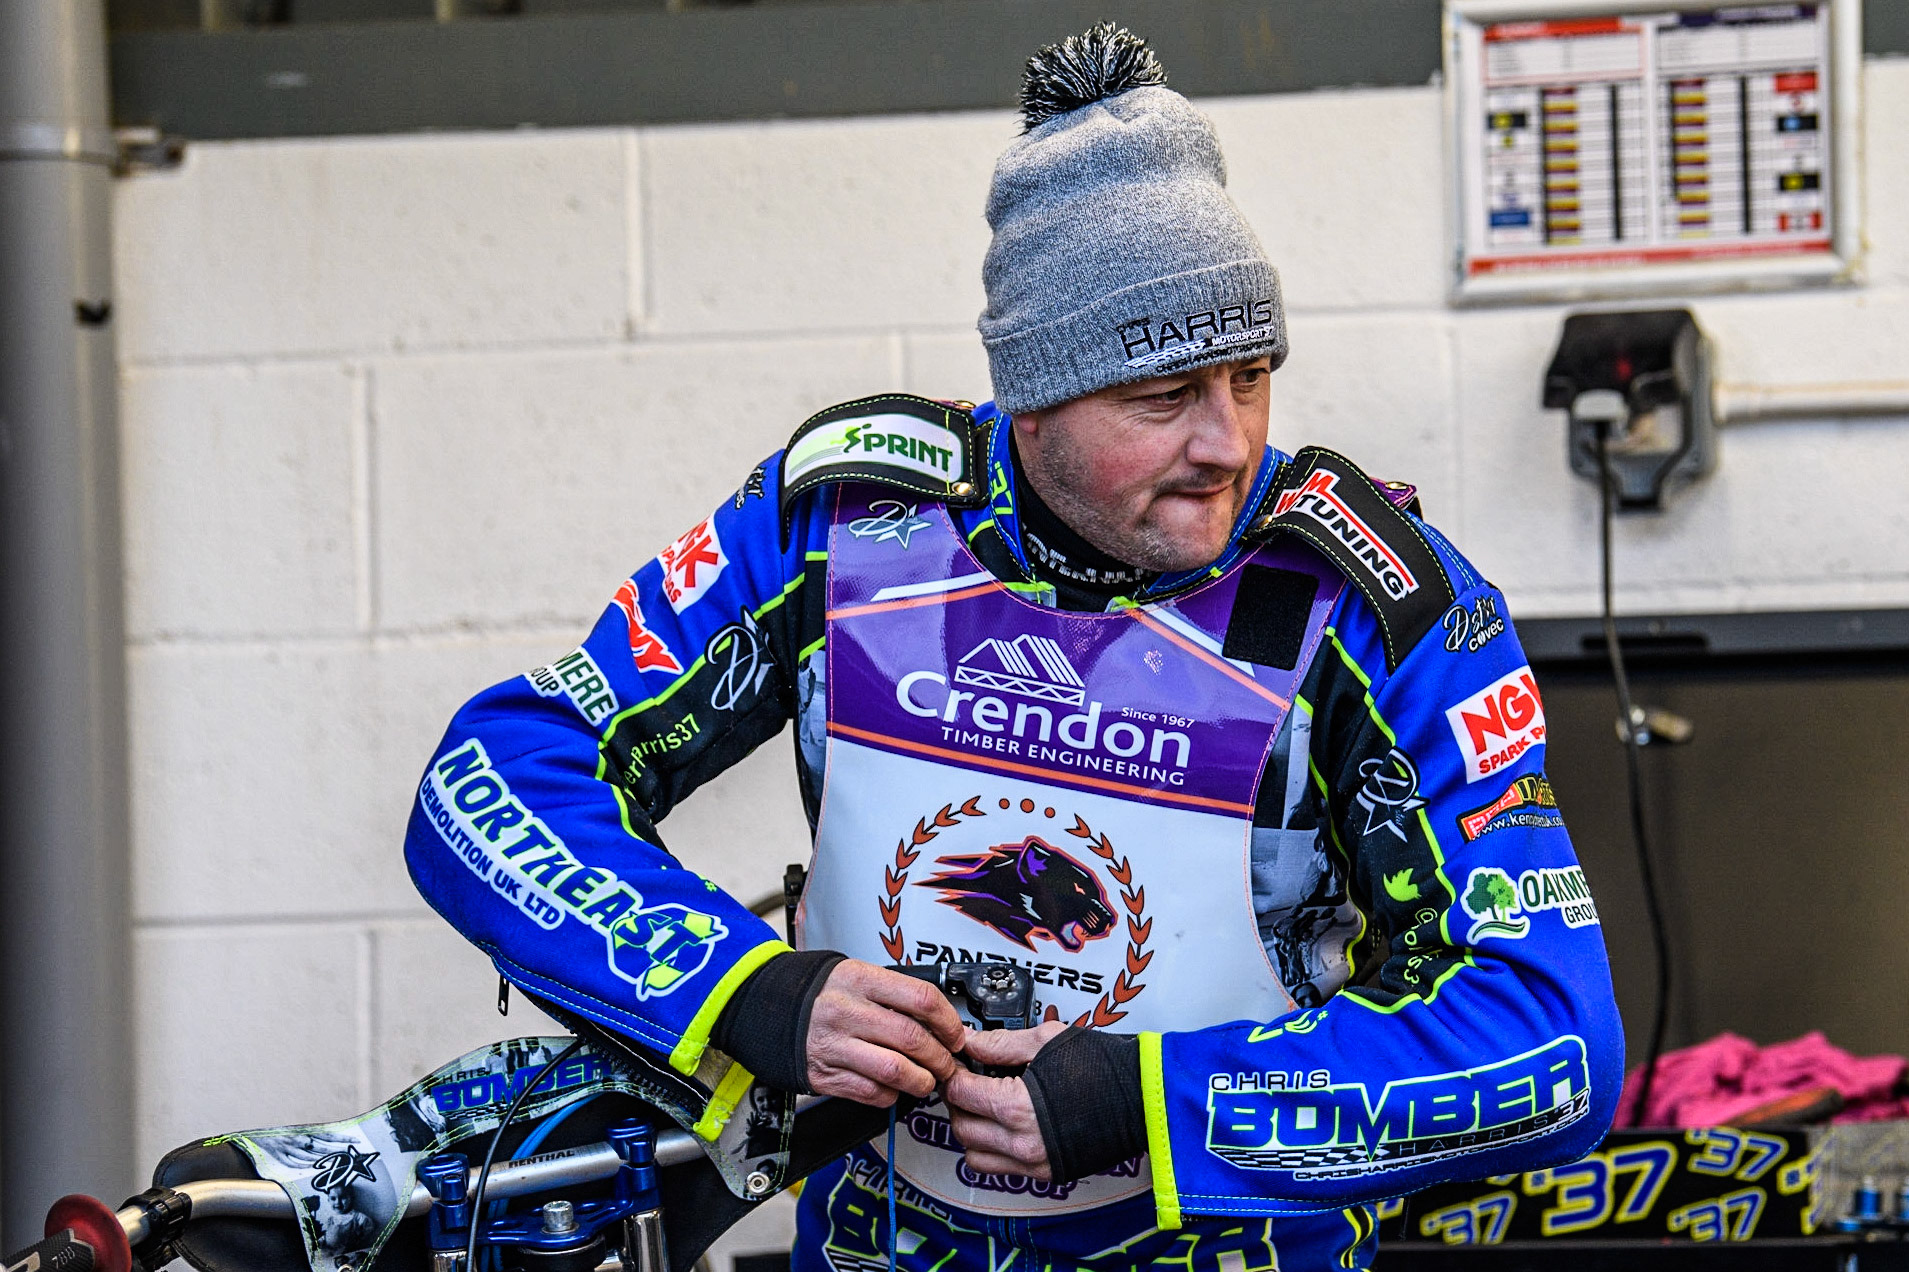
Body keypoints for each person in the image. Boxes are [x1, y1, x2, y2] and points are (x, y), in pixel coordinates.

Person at [405, 23, 1623, 1270]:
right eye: (1162, 399)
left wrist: (1143, 1107)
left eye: (1252, 377)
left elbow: (1551, 1042)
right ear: (1030, 397)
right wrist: (747, 995)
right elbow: (490, 781)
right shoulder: (845, 519)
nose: (1229, 442)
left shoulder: (1369, 601)